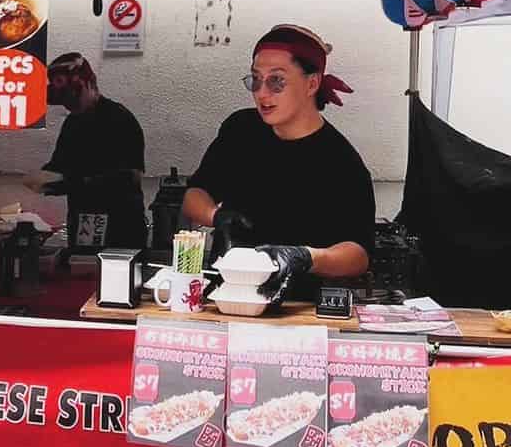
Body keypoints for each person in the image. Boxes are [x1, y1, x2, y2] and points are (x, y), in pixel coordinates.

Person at [183, 24, 376, 303]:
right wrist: (217, 216)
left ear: (312, 83)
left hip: (298, 306)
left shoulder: (341, 162)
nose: (262, 93)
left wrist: (306, 257)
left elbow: (358, 254)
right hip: (228, 296)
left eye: (277, 81)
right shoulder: (240, 130)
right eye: (255, 80)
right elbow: (194, 196)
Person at [25, 52, 146, 254]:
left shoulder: (119, 119)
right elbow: (60, 165)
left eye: (74, 97)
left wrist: (75, 182)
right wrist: (44, 179)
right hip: (85, 223)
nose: (69, 105)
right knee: (82, 273)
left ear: (89, 84)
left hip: (122, 226)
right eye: (64, 102)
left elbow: (130, 177)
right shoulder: (72, 123)